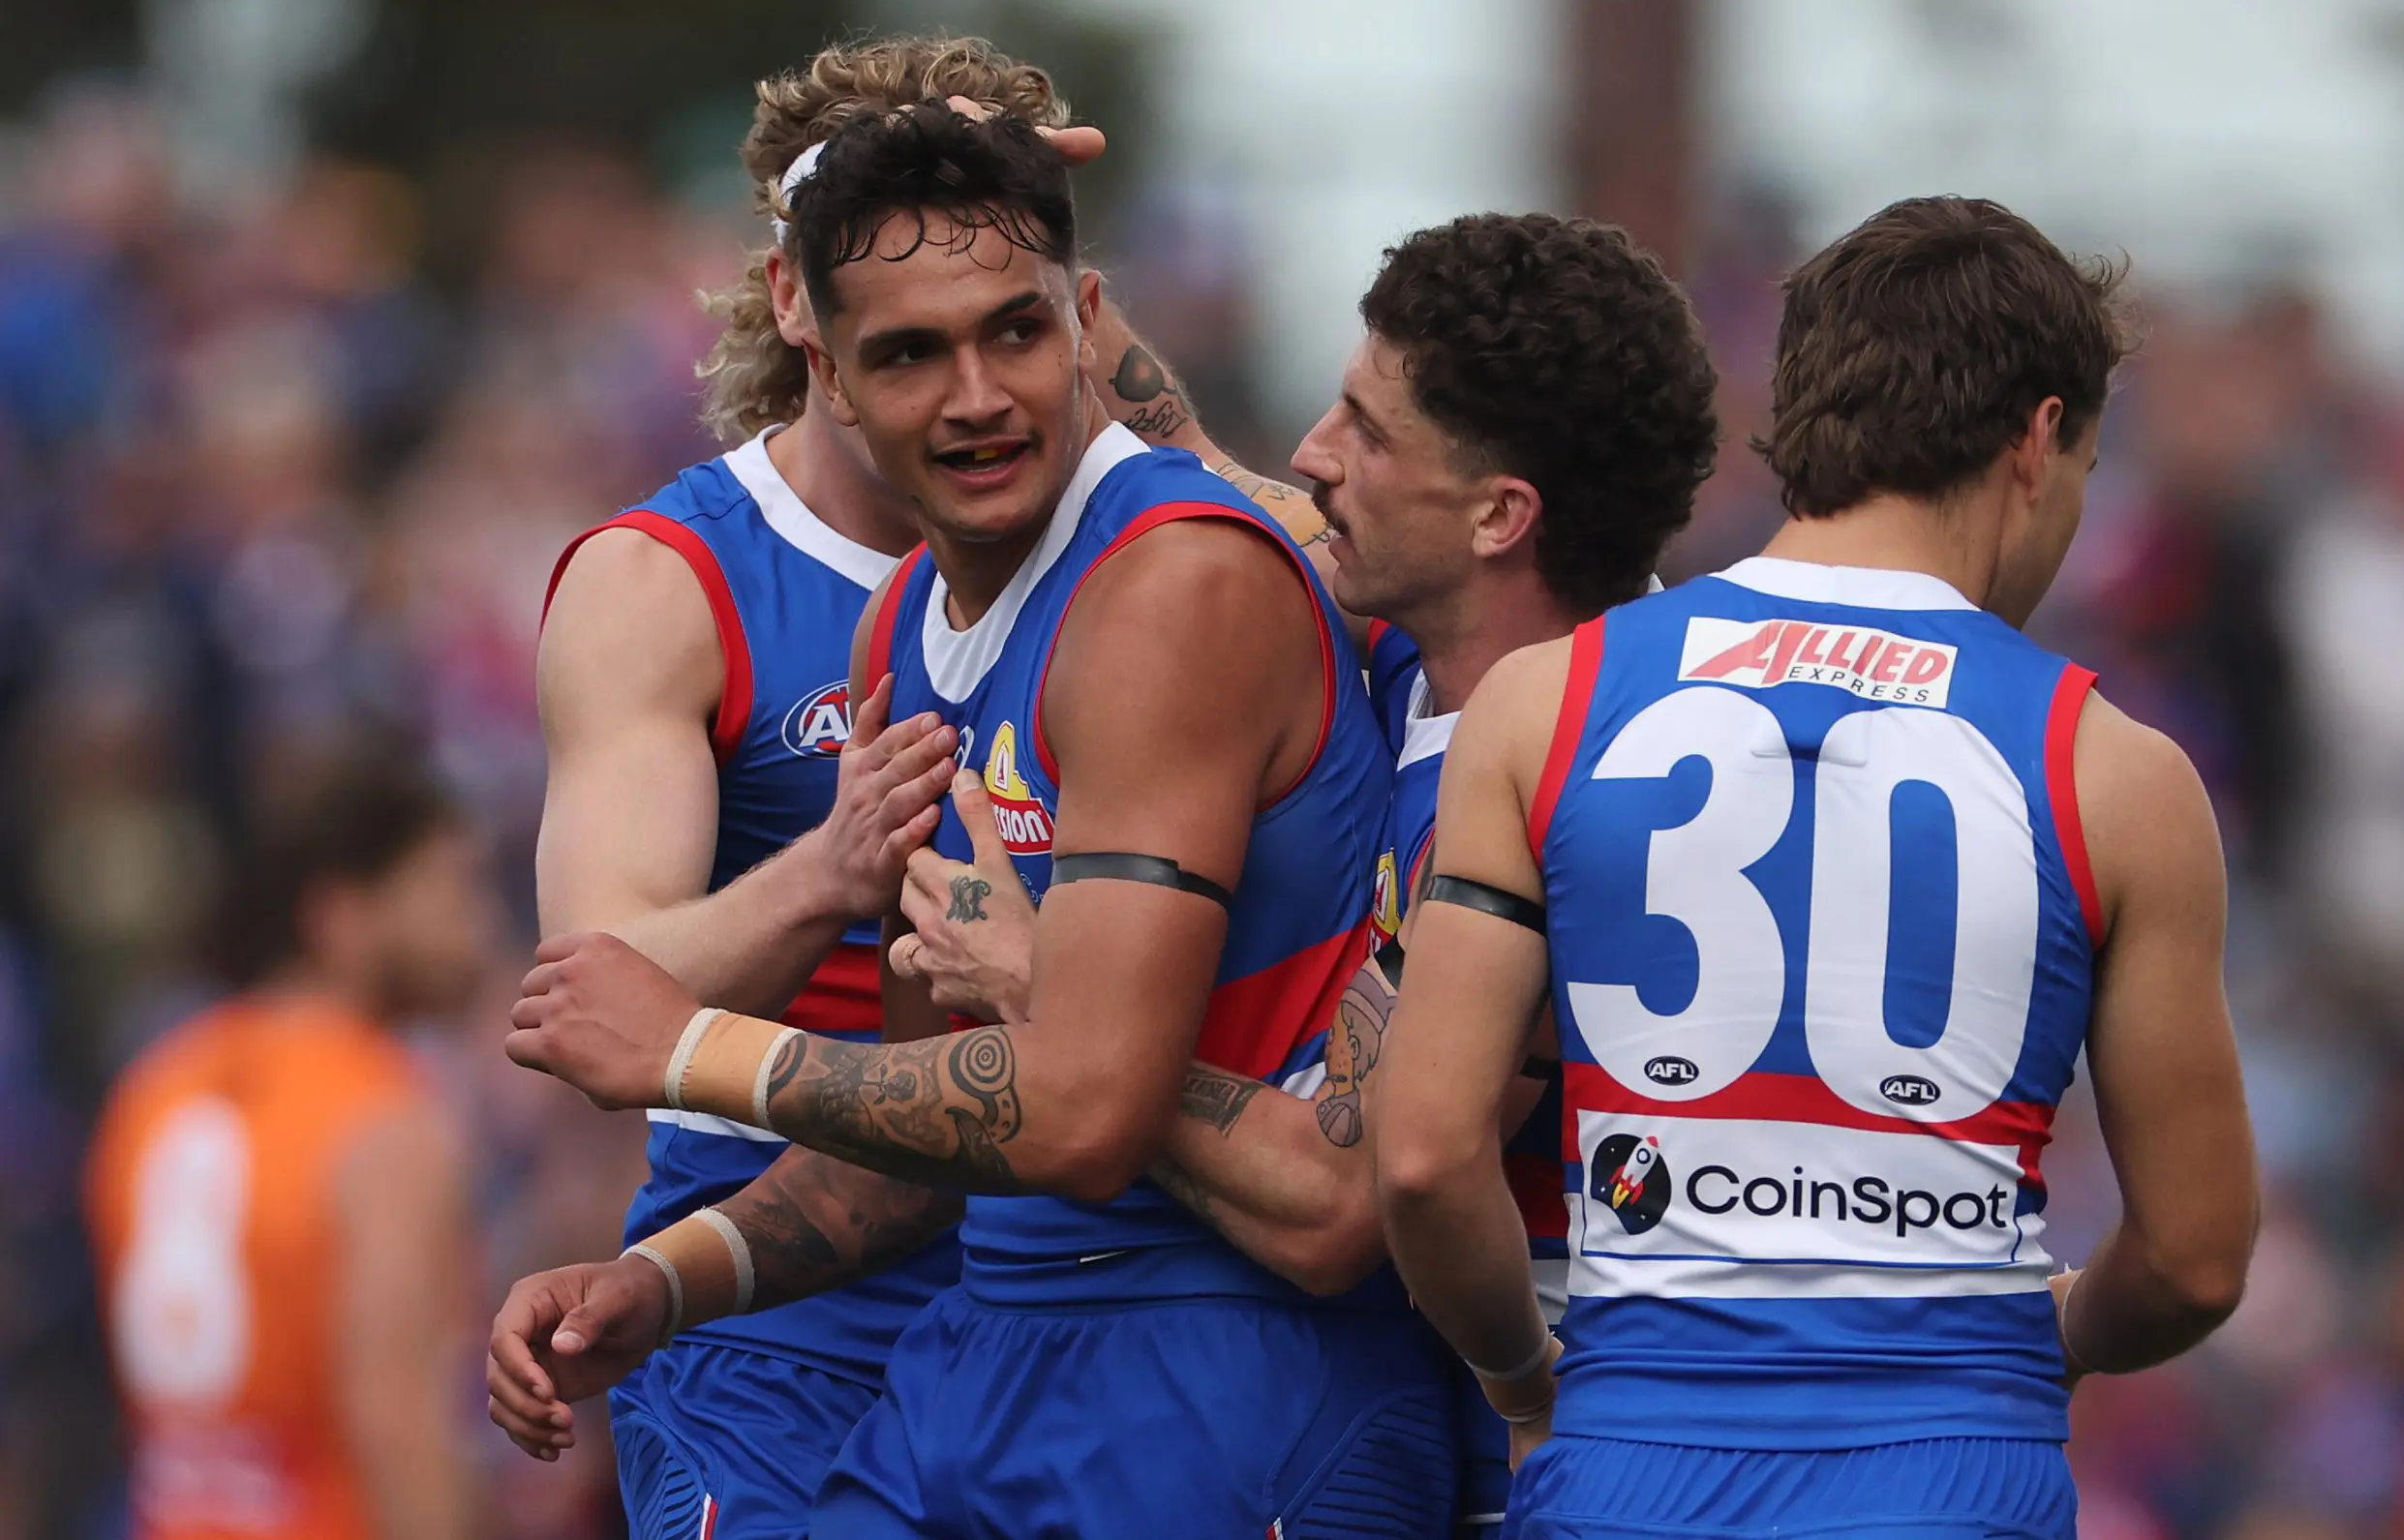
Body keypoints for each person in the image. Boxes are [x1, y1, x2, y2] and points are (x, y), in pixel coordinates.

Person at [503, 102, 1457, 1537]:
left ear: (1086, 321)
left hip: (1221, 1365)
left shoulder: (1175, 583)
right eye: (907, 353)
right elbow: (942, 1126)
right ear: (822, 365)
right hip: (981, 1344)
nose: (975, 396)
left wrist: (697, 1046)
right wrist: (671, 1278)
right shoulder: (900, 625)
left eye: (1013, 333)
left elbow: (1075, 1109)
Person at [1371, 196, 2260, 1540]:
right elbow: (2195, 1255)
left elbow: (1429, 1155)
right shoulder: (2119, 773)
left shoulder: (1545, 703)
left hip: (1630, 1460)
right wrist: (2046, 1332)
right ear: (2036, 440)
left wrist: (1528, 1379)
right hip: (1952, 1473)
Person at [888, 209, 1720, 1537]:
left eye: (1367, 429)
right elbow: (1210, 469)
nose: (1311, 453)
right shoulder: (1443, 655)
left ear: (1502, 514)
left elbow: (1345, 1197)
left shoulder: (1568, 774)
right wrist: (1007, 212)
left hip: (1588, 1437)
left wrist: (1050, 988)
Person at [86, 752, 491, 1540]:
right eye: (448, 886)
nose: (473, 925)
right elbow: (396, 1419)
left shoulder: (153, 1084)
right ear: (341, 914)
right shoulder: (384, 1110)